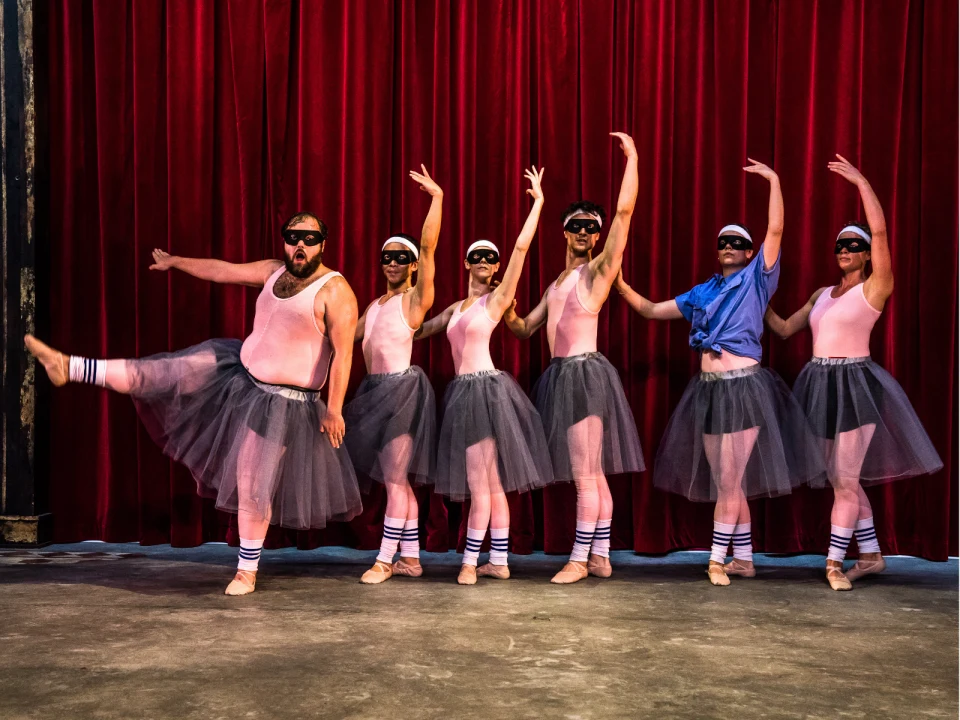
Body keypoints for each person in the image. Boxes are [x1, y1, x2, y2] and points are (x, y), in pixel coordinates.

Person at [25, 213, 361, 596]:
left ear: (323, 243)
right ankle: (70, 366)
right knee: (161, 372)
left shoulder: (336, 292)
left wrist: (334, 409)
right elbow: (222, 271)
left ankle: (246, 572)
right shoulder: (272, 271)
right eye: (292, 236)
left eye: (309, 238)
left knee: (253, 486)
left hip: (282, 404)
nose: (299, 245)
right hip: (238, 374)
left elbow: (343, 355)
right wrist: (176, 262)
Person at [616, 159, 823, 586]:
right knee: (727, 480)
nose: (728, 246)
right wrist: (617, 284)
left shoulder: (757, 279)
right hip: (708, 389)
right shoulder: (702, 291)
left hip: (744, 387)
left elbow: (777, 232)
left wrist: (775, 182)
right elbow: (654, 310)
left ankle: (715, 558)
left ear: (749, 252)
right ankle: (744, 558)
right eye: (723, 241)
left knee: (729, 479)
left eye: (737, 242)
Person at [764, 155, 942, 590]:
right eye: (839, 246)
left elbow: (880, 231)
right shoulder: (821, 294)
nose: (844, 251)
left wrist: (862, 183)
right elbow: (786, 329)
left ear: (866, 254)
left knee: (844, 480)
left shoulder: (875, 288)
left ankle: (832, 563)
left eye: (853, 245)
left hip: (856, 386)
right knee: (841, 479)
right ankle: (872, 554)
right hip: (820, 386)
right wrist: (748, 298)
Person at [503, 134, 645, 584]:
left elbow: (624, 214)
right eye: (577, 226)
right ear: (564, 231)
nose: (584, 232)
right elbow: (524, 328)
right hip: (563, 374)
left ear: (598, 236)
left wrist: (633, 160)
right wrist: (500, 306)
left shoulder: (598, 271)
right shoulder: (556, 283)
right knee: (594, 474)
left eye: (592, 227)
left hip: (584, 375)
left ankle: (580, 559)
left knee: (585, 475)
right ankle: (601, 554)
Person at [416, 167, 553, 584]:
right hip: (464, 393)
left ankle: (471, 562)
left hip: (486, 391)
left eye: (490, 258)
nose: (484, 262)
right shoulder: (453, 310)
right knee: (490, 484)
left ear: (495, 269)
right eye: (477, 256)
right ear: (465, 263)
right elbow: (414, 329)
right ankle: (500, 560)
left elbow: (520, 251)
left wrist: (538, 204)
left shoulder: (496, 301)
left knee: (482, 483)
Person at [345, 165, 442, 584]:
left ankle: (385, 558)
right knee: (394, 480)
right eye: (387, 256)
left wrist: (436, 199)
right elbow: (343, 341)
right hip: (373, 393)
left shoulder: (414, 301)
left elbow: (429, 246)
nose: (393, 262)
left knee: (396, 480)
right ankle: (412, 558)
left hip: (402, 393)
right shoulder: (374, 305)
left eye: (402, 258)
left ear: (414, 266)